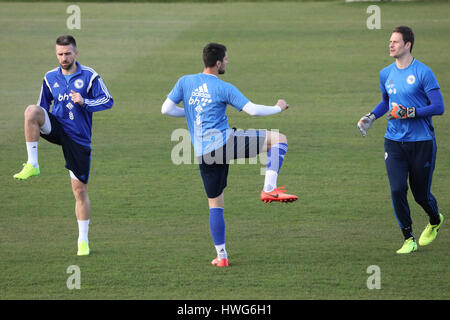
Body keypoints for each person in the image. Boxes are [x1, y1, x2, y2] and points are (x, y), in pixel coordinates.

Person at [162, 43, 298, 267]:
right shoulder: (223, 87)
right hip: (224, 143)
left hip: (203, 154)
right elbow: (252, 110)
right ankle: (269, 188)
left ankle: (222, 256)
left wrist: (189, 113)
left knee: (215, 203)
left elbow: (165, 109)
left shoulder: (184, 81)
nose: (227, 62)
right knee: (279, 139)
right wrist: (278, 107)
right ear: (217, 63)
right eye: (225, 60)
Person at [13, 35, 114, 256]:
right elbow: (41, 107)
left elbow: (108, 100)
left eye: (68, 53)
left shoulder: (90, 76)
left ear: (76, 53)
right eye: (60, 54)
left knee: (79, 191)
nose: (63, 57)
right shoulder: (50, 77)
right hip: (57, 127)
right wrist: (38, 123)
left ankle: (83, 241)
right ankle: (32, 164)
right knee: (31, 111)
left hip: (78, 138)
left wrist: (84, 102)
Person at [357, 26, 444, 254]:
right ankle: (408, 238)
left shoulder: (424, 72)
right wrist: (371, 116)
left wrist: (410, 112)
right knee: (397, 189)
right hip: (394, 142)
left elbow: (439, 107)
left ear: (408, 45)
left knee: (421, 195)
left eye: (395, 41)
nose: (391, 45)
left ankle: (435, 220)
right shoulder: (385, 73)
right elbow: (386, 101)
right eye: (390, 41)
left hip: (421, 142)